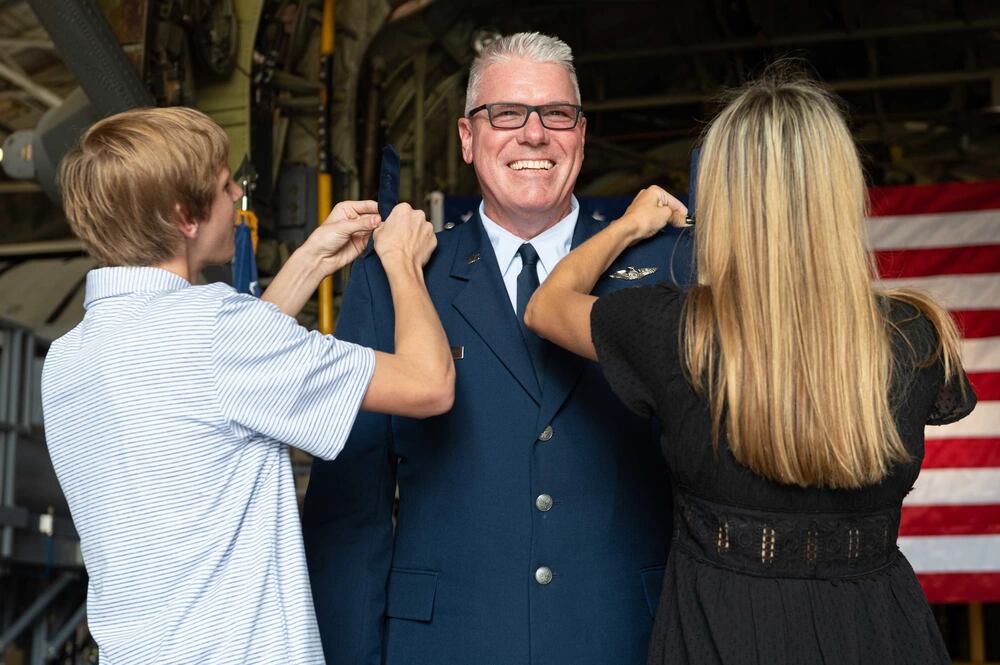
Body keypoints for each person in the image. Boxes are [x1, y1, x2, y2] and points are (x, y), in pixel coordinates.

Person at [525, 66, 977, 665]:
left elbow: (545, 307)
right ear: (842, 189)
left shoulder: (676, 329)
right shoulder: (918, 333)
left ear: (725, 195)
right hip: (882, 633)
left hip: (720, 635)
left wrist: (629, 226)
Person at [303, 32, 694, 665]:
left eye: (556, 115)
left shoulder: (664, 269)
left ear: (582, 134)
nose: (534, 135)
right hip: (445, 643)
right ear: (467, 137)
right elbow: (352, 507)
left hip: (626, 638)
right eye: (506, 114)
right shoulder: (396, 278)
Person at [41, 106, 454, 664]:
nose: (236, 196)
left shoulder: (68, 358)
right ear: (185, 217)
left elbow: (215, 384)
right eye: (223, 185)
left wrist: (310, 260)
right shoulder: (219, 330)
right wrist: (402, 262)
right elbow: (430, 385)